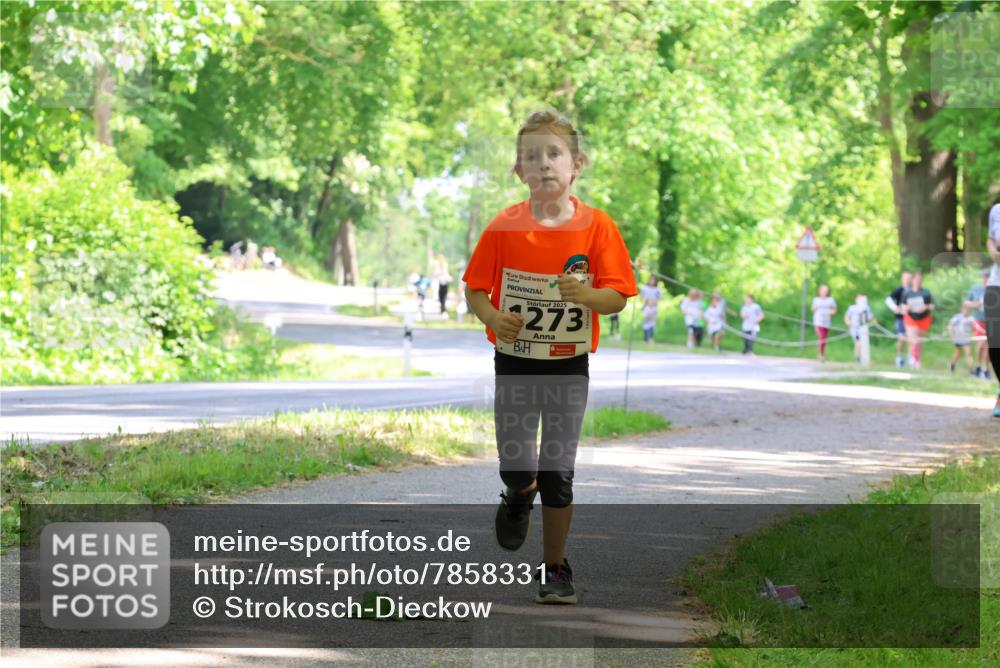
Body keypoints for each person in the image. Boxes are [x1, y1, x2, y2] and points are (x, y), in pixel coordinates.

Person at [462, 109, 637, 603]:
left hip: (568, 362)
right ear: (519, 171)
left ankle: (555, 569)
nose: (543, 165)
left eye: (553, 154)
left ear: (576, 163)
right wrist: (494, 319)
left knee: (559, 471)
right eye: (531, 157)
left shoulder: (597, 227)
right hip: (515, 360)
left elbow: (618, 296)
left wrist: (585, 295)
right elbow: (476, 291)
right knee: (519, 467)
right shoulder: (504, 227)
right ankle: (518, 495)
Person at [899, 271, 935, 369]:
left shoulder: (926, 293)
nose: (918, 281)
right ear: (913, 280)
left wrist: (925, 307)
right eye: (916, 279)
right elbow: (902, 305)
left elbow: (933, 305)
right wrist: (906, 307)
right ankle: (914, 361)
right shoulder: (907, 293)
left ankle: (915, 359)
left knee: (919, 341)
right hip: (911, 318)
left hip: (924, 318)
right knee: (914, 340)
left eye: (920, 279)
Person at [986, 202, 1000, 417]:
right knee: (994, 344)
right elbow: (990, 238)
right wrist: (994, 253)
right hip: (996, 284)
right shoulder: (997, 210)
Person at [964, 268, 991, 380]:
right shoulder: (976, 289)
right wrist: (976, 304)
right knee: (980, 345)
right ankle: (978, 367)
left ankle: (986, 370)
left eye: (988, 277)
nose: (985, 279)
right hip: (979, 321)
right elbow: (966, 302)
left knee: (989, 347)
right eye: (984, 277)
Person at [885, 272, 913, 368]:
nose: (907, 280)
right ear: (902, 279)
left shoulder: (914, 290)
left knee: (911, 339)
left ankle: (911, 358)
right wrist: (895, 308)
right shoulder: (899, 290)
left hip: (913, 319)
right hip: (901, 318)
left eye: (909, 278)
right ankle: (900, 357)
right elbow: (888, 300)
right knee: (901, 338)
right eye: (906, 278)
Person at [844, 294, 875, 363]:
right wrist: (848, 322)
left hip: (864, 329)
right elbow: (846, 316)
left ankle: (862, 358)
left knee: (863, 343)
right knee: (858, 342)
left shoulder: (866, 308)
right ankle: (857, 357)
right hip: (855, 329)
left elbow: (871, 317)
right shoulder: (852, 308)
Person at [811, 284, 837, 362]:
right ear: (820, 291)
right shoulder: (816, 299)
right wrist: (815, 308)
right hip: (818, 321)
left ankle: (821, 353)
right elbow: (813, 309)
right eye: (823, 291)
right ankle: (821, 355)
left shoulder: (831, 300)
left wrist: (830, 312)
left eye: (825, 291)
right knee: (821, 337)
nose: (824, 292)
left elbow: (834, 310)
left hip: (826, 322)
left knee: (824, 338)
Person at [948, 304, 975, 374]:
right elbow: (950, 326)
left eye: (968, 310)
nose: (966, 311)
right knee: (958, 353)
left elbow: (974, 327)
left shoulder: (971, 318)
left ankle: (972, 370)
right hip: (958, 338)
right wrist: (952, 336)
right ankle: (952, 364)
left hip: (967, 339)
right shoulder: (957, 317)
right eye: (965, 310)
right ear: (962, 310)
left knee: (968, 353)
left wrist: (973, 335)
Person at [638, 276, 662, 344]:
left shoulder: (657, 289)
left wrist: (654, 302)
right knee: (646, 322)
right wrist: (646, 301)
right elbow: (641, 296)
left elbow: (659, 298)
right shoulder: (644, 288)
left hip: (653, 308)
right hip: (646, 307)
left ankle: (650, 338)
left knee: (652, 323)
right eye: (651, 280)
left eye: (653, 280)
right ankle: (646, 338)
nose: (652, 282)